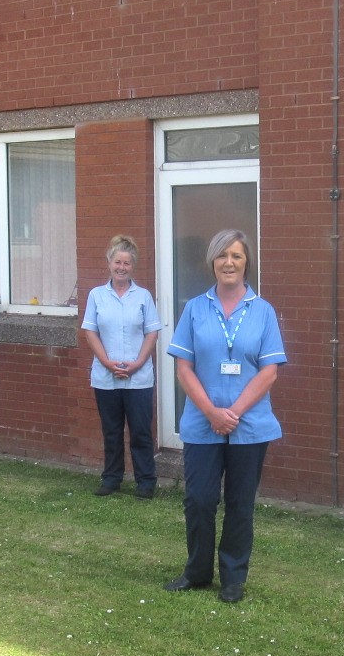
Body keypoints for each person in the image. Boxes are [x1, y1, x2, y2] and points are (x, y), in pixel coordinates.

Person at [164, 229, 287, 603]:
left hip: (249, 427)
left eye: (235, 255)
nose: (228, 262)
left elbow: (269, 371)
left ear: (246, 261)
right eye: (222, 256)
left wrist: (231, 413)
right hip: (203, 424)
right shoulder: (195, 309)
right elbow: (184, 367)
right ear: (212, 262)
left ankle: (233, 577)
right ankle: (197, 572)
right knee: (199, 499)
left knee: (240, 502)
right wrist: (211, 412)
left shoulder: (263, 311)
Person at [82, 235, 163, 498]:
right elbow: (91, 332)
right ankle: (112, 478)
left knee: (140, 431)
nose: (121, 267)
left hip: (138, 378)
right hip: (106, 377)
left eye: (127, 263)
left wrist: (138, 363)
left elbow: (152, 332)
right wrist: (107, 362)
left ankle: (146, 481)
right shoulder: (96, 296)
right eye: (117, 262)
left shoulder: (143, 296)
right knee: (112, 430)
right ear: (109, 262)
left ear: (133, 266)